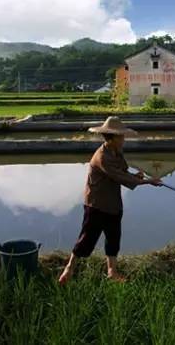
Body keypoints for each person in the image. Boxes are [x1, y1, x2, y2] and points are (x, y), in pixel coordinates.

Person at [58, 116, 161, 284]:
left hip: (112, 202)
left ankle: (112, 271)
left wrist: (135, 176)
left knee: (113, 237)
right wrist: (149, 181)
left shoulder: (116, 152)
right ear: (111, 138)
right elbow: (120, 176)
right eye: (121, 136)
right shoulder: (102, 157)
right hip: (97, 204)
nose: (123, 139)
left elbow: (123, 171)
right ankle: (69, 269)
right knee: (86, 239)